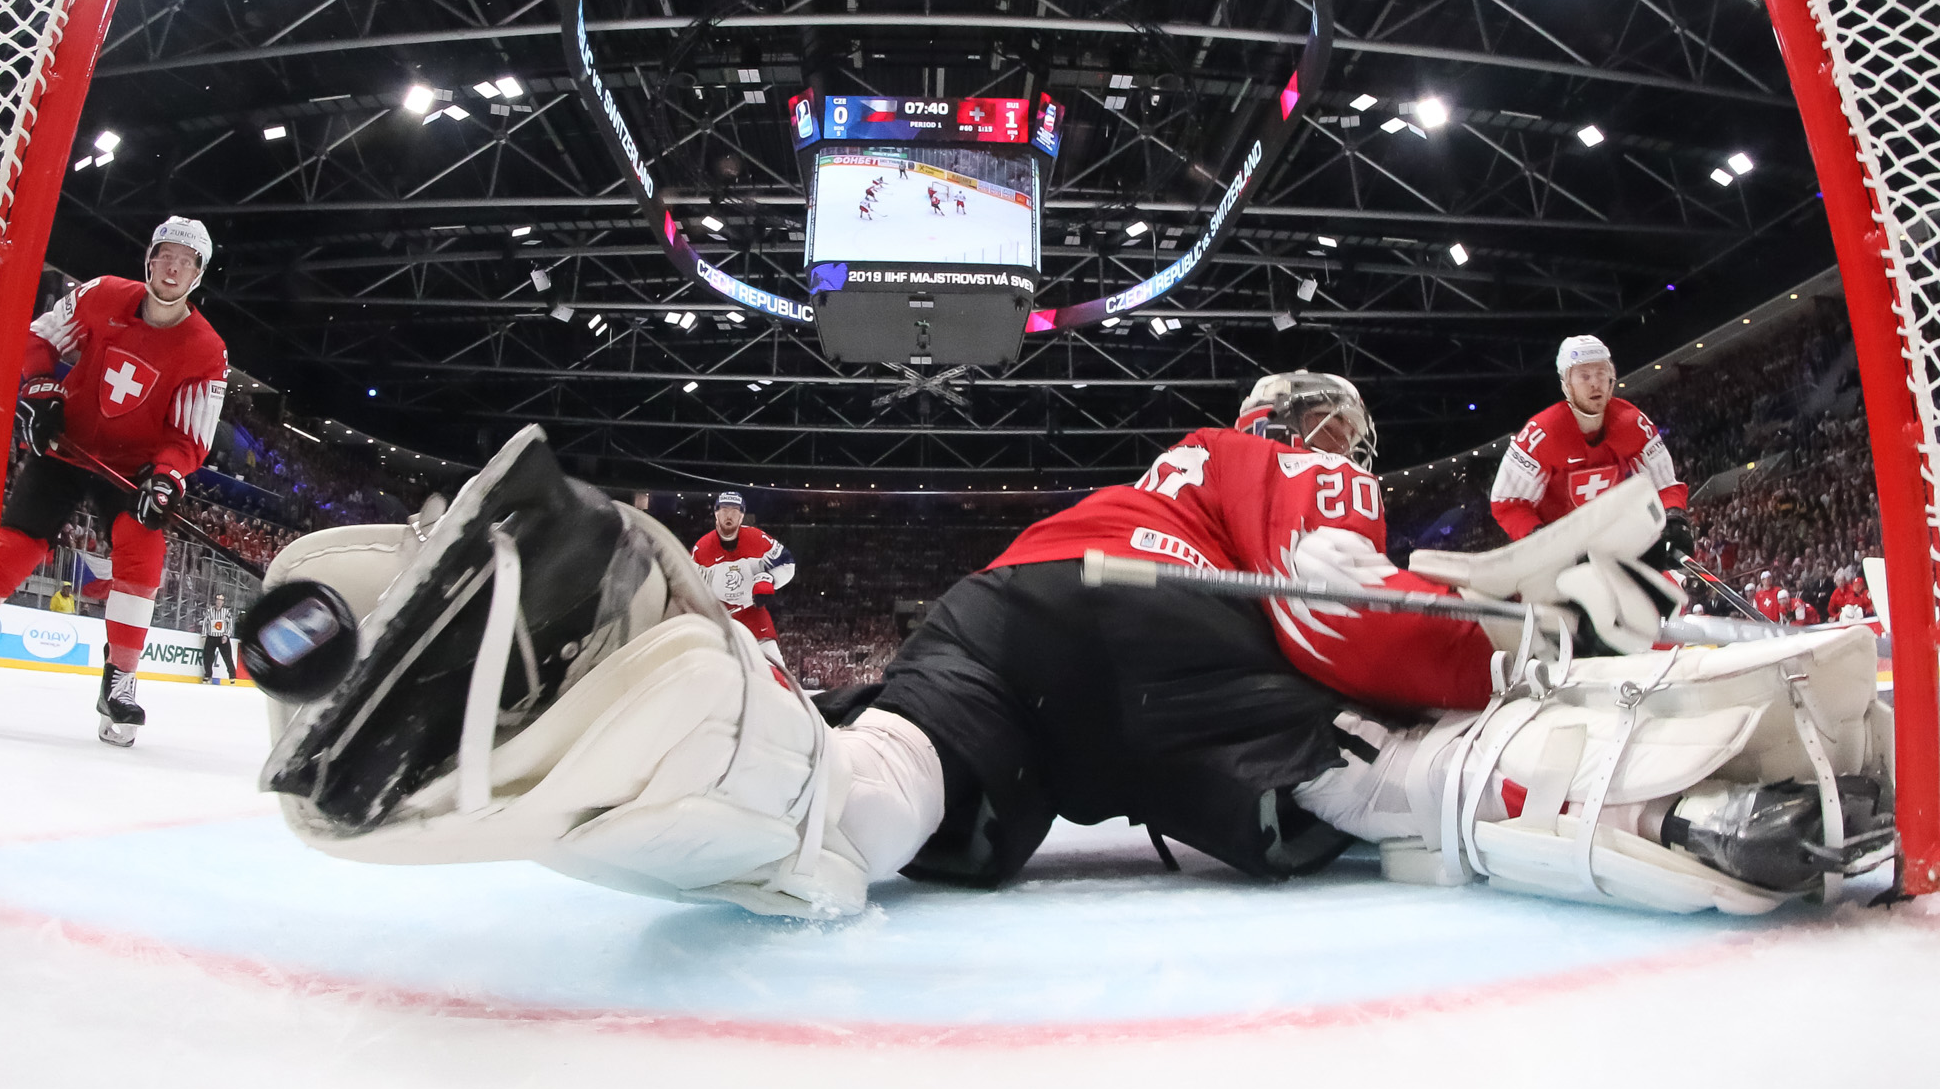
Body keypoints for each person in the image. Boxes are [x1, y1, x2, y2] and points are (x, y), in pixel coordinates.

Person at [253, 378, 1890, 925]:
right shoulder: (1290, 449)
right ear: (1309, 423)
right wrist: (1496, 667)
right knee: (1405, 785)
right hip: (1196, 642)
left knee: (866, 792)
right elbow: (1335, 608)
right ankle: (1682, 787)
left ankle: (637, 704)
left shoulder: (1149, 471)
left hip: (1012, 610)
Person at [0, 217, 227, 746]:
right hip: (67, 444)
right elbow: (40, 338)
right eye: (166, 254)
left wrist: (166, 481)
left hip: (130, 469)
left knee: (143, 551)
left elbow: (188, 437)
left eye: (186, 261)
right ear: (149, 259)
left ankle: (120, 679)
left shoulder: (206, 350)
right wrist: (41, 390)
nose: (173, 267)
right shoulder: (101, 295)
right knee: (14, 546)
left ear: (198, 274)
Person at [1490, 336, 1691, 559]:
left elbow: (1665, 485)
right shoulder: (1542, 434)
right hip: (1558, 551)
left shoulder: (1632, 423)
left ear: (1611, 379)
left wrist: (1674, 518)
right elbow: (1507, 504)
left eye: (1601, 374)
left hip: (1613, 542)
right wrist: (1543, 542)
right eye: (1584, 376)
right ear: (1567, 385)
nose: (1595, 383)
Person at [690, 490, 795, 668]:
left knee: (775, 667)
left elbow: (787, 564)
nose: (729, 515)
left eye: (734, 510)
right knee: (709, 668)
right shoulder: (702, 549)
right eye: (724, 510)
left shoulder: (757, 539)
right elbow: (691, 585)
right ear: (716, 513)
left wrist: (767, 579)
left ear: (742, 516)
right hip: (719, 616)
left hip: (751, 611)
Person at [202, 593, 237, 684]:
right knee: (207, 657)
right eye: (217, 600)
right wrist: (204, 635)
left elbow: (230, 624)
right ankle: (208, 675)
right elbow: (206, 623)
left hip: (222, 638)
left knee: (228, 658)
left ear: (223, 602)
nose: (218, 602)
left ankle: (232, 677)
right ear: (215, 601)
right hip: (211, 637)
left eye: (220, 601)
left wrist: (226, 635)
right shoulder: (210, 611)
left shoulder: (226, 612)